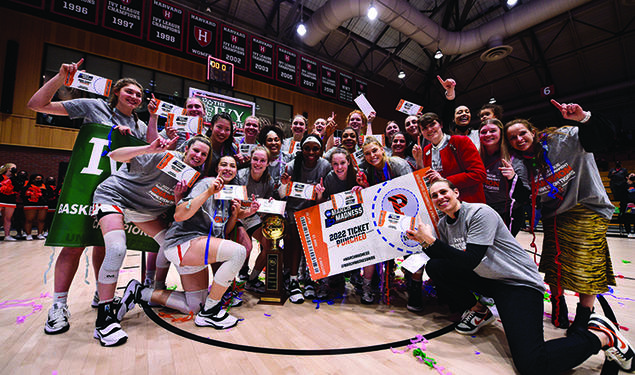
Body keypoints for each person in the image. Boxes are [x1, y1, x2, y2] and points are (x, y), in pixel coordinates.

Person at [406, 178, 635, 374]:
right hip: (489, 279)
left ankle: (601, 337)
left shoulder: (479, 212)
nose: (440, 197)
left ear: (456, 193)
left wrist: (431, 241)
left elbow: (470, 260)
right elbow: (450, 259)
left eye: (443, 192)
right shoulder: (445, 224)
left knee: (532, 364)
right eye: (434, 195)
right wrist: (422, 243)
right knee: (436, 267)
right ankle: (479, 312)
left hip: (517, 284)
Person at [27, 59, 149, 335]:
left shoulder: (139, 127)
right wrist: (60, 79)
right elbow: (36, 105)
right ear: (116, 91)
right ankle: (58, 305)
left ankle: (100, 292)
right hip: (85, 187)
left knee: (103, 245)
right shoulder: (94, 106)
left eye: (138, 95)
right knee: (74, 245)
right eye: (129, 91)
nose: (134, 97)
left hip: (115, 191)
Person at [503, 100, 616, 332]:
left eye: (522, 133)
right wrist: (513, 179)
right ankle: (558, 305)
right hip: (554, 216)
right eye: (513, 138)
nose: (518, 140)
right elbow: (526, 196)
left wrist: (583, 118)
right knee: (554, 265)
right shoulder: (522, 164)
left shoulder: (564, 138)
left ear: (532, 132)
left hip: (587, 207)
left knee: (587, 264)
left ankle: (585, 314)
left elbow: (601, 139)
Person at [90, 135, 209, 346]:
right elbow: (114, 155)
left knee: (172, 245)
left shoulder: (193, 178)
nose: (198, 156)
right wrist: (148, 149)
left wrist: (178, 198)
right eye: (196, 151)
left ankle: (147, 290)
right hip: (114, 198)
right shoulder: (163, 157)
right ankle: (105, 318)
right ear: (186, 149)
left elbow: (180, 211)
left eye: (203, 154)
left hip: (144, 212)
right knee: (117, 248)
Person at [118, 173, 252, 330]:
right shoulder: (206, 183)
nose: (228, 169)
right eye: (224, 165)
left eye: (232, 166)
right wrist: (208, 191)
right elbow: (179, 213)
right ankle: (211, 311)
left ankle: (140, 292)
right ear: (216, 168)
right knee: (238, 252)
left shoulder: (229, 196)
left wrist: (238, 215)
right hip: (183, 242)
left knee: (195, 306)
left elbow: (221, 232)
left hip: (196, 250)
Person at [357, 137, 412, 305]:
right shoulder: (367, 169)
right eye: (367, 153)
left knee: (408, 251)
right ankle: (378, 284)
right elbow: (372, 197)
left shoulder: (398, 164)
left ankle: (412, 287)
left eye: (374, 151)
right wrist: (364, 187)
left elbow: (410, 190)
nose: (372, 155)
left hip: (405, 210)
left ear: (382, 149)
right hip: (382, 215)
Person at [279, 135, 331, 303]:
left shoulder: (325, 166)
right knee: (294, 240)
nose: (311, 152)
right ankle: (294, 280)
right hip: (294, 210)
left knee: (315, 243)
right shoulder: (292, 166)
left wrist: (320, 195)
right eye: (307, 148)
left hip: (314, 210)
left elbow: (326, 195)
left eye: (315, 148)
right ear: (301, 149)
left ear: (321, 150)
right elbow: (281, 195)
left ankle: (310, 279)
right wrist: (285, 185)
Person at [314, 148, 363, 299]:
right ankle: (327, 279)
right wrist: (320, 195)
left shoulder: (357, 175)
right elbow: (321, 204)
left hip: (357, 219)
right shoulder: (329, 178)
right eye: (335, 164)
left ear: (349, 162)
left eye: (342, 163)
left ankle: (357, 276)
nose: (339, 167)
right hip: (336, 221)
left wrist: (363, 189)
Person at [413, 112, 487, 204]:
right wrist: (419, 160)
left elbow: (479, 174)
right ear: (421, 133)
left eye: (432, 125)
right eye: (424, 128)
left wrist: (445, 180)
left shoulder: (461, 141)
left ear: (441, 125)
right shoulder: (426, 150)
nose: (429, 130)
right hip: (444, 207)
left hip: (468, 203)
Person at [478, 119, 529, 236]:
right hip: (484, 213)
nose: (488, 134)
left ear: (501, 133)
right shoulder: (476, 156)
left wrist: (513, 178)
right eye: (483, 132)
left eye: (492, 131)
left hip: (508, 214)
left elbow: (524, 196)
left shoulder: (515, 160)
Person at [235, 146, 276, 292]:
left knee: (269, 244)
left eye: (262, 160)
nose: (258, 163)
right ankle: (234, 279)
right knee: (247, 247)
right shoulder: (240, 176)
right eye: (255, 159)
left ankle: (252, 279)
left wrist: (268, 205)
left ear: (267, 163)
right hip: (236, 216)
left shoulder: (269, 181)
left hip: (252, 217)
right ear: (250, 160)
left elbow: (264, 209)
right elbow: (233, 207)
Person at [258, 125, 294, 190]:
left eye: (276, 140)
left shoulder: (289, 158)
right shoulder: (259, 159)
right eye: (269, 140)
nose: (273, 143)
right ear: (264, 143)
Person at [22, 173, 48, 240]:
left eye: (40, 179)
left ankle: (40, 234)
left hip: (42, 205)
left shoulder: (45, 187)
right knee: (29, 220)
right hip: (30, 205)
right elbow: (23, 196)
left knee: (41, 220)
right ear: (33, 180)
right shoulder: (27, 187)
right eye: (37, 179)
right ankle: (28, 234)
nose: (39, 180)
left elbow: (49, 196)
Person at [0, 163, 19, 241]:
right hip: (1, 198)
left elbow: (17, 188)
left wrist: (14, 176)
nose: (14, 169)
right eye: (13, 168)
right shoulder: (0, 177)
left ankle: (7, 235)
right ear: (7, 168)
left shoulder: (15, 178)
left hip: (10, 200)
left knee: (8, 218)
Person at [622, 173, 635, 238]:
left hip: (634, 204)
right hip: (628, 205)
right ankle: (629, 232)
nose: (632, 176)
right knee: (627, 219)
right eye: (631, 175)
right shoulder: (624, 185)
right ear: (627, 177)